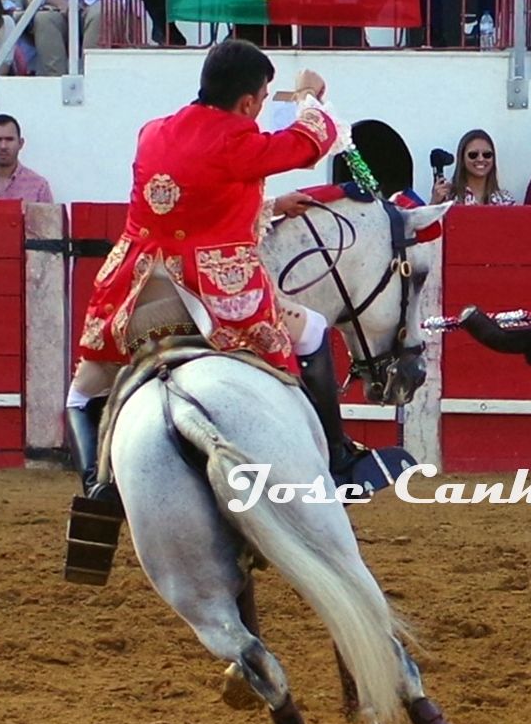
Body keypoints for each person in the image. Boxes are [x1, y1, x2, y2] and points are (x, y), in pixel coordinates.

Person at [68, 41, 353, 499]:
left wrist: (272, 205)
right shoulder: (238, 142)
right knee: (314, 330)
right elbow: (309, 142)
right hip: (218, 298)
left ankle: (95, 487)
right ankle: (337, 459)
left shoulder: (153, 132)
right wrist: (308, 96)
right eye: (263, 99)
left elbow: (196, 204)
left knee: (82, 393)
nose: (262, 108)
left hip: (138, 293)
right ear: (248, 102)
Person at [431, 128, 517, 205]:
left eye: (487, 154)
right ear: (462, 158)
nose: (480, 159)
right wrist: (434, 203)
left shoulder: (505, 200)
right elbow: (431, 218)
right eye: (473, 155)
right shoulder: (447, 198)